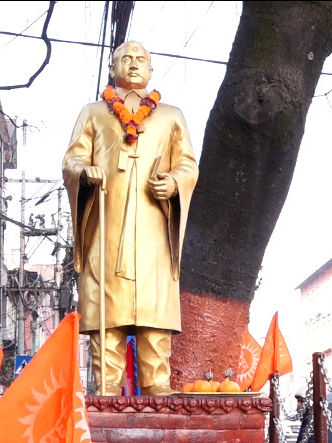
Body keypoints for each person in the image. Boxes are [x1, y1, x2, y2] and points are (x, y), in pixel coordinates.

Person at [62, 40, 199, 397]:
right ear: (113, 67)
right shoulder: (94, 113)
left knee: (154, 318)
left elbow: (188, 165)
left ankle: (158, 386)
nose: (134, 64)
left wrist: (173, 182)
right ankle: (106, 388)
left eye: (141, 59)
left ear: (151, 71)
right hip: (107, 228)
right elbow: (71, 160)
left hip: (154, 232)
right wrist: (85, 172)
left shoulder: (171, 116)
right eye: (126, 58)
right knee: (108, 320)